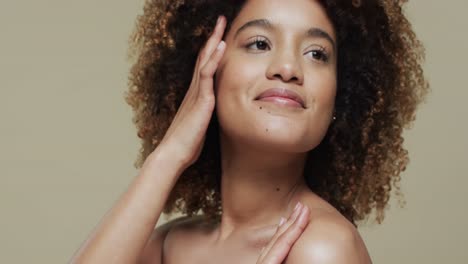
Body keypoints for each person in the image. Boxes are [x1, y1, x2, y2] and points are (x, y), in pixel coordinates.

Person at [71, 0, 428, 263]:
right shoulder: (171, 245)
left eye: (317, 54)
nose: (288, 68)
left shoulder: (321, 249)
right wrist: (169, 153)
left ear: (341, 97)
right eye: (260, 43)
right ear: (208, 69)